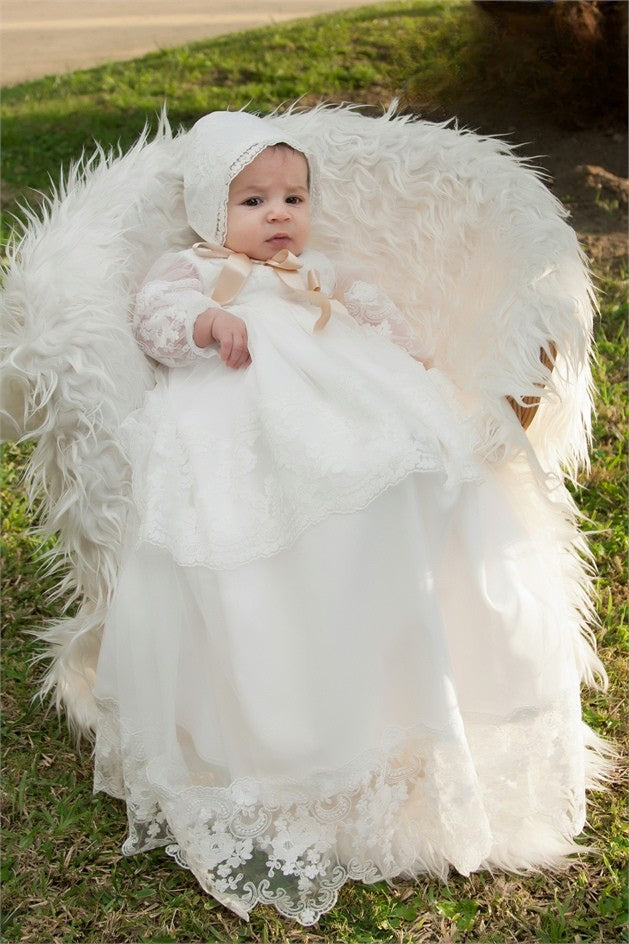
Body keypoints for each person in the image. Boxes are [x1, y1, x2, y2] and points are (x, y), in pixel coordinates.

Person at [91, 110, 607, 926]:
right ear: (208, 212)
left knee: (417, 463)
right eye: (253, 201)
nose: (279, 215)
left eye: (292, 197)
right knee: (261, 515)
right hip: (243, 406)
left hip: (351, 399)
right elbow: (152, 325)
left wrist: (409, 353)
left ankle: (410, 682)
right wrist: (207, 324)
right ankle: (290, 740)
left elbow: (374, 317)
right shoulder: (187, 270)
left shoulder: (320, 272)